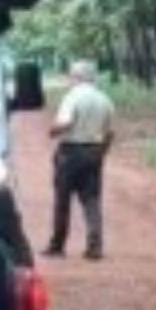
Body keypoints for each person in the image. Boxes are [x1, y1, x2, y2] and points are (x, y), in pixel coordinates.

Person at [45, 63, 116, 260]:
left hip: (70, 152)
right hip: (94, 151)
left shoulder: (72, 96)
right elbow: (110, 132)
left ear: (76, 77)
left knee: (62, 200)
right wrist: (102, 153)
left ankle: (57, 245)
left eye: (71, 76)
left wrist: (53, 130)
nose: (69, 80)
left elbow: (66, 122)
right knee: (91, 200)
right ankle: (95, 246)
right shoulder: (105, 99)